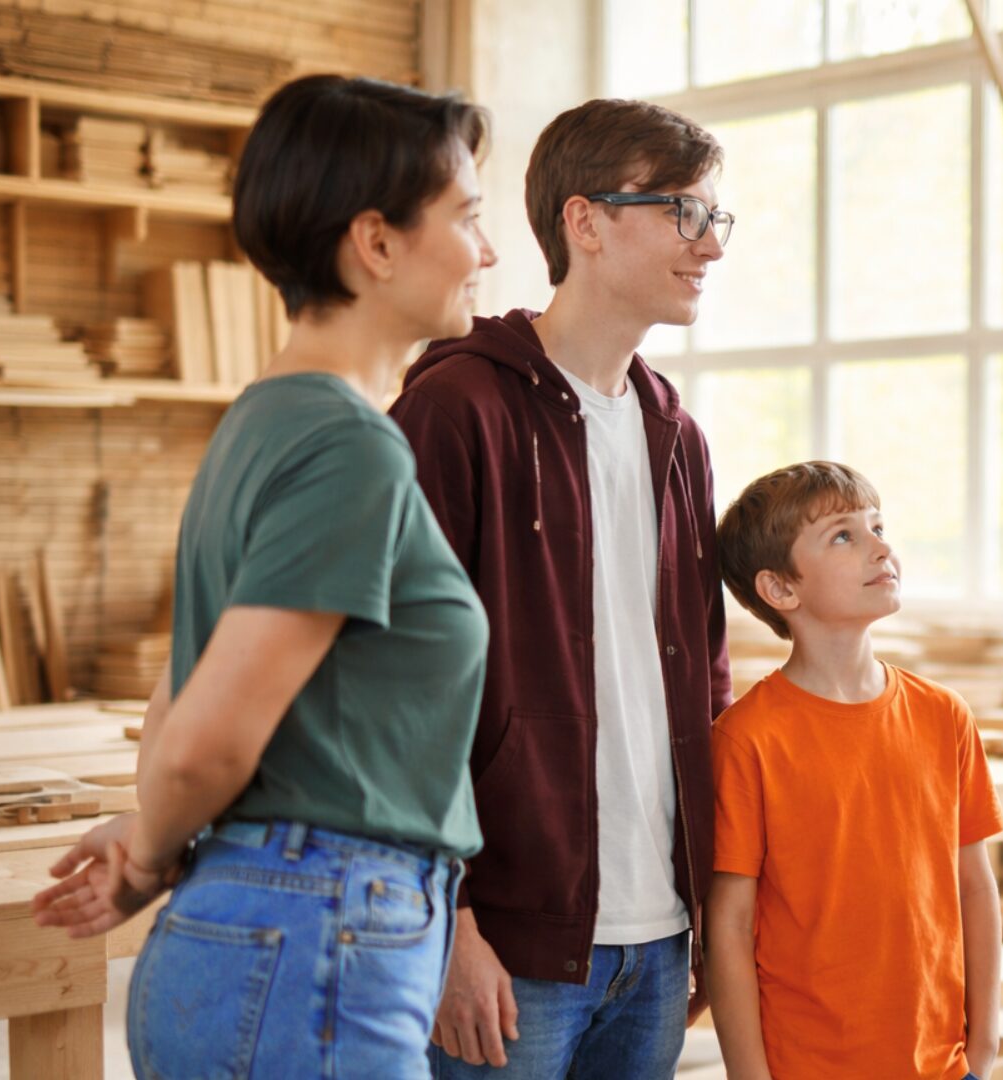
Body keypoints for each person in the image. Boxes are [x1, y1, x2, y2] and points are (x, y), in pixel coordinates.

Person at [31, 73, 497, 1077]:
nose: (488, 252)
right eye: (467, 217)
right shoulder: (346, 447)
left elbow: (175, 703)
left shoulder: (263, 421)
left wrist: (154, 838)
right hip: (316, 939)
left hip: (273, 939)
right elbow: (203, 741)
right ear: (376, 244)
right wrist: (145, 854)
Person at [388, 98, 733, 1078]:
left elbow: (704, 683)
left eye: (717, 217)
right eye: (683, 212)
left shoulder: (677, 436)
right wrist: (448, 922)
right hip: (506, 943)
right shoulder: (456, 408)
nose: (710, 244)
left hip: (658, 939)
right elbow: (396, 689)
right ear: (584, 221)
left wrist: (709, 904)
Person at [706, 461, 1003, 1080]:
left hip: (942, 1063)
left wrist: (985, 1040)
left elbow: (974, 885)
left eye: (878, 527)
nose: (881, 547)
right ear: (780, 589)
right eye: (844, 535)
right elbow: (729, 925)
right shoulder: (746, 739)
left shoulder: (944, 715)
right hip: (806, 1065)